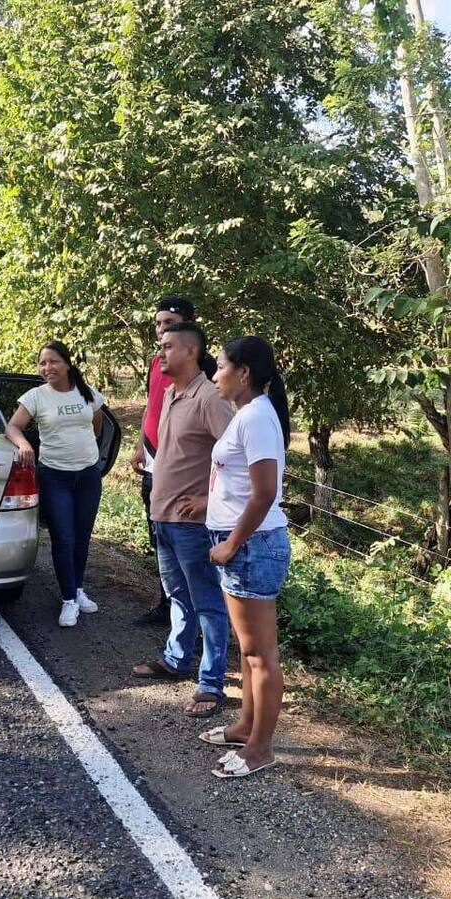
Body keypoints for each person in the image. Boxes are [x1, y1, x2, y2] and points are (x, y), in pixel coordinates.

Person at [196, 336, 292, 779]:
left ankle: (260, 749)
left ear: (244, 373)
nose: (215, 376)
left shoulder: (255, 418)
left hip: (252, 547)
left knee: (260, 655)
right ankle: (244, 727)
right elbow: (235, 482)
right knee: (249, 650)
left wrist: (232, 543)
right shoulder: (250, 415)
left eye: (219, 367)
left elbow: (266, 492)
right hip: (244, 543)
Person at [130, 323, 235, 718]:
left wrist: (210, 501)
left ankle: (211, 683)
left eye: (168, 346)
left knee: (208, 602)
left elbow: (236, 457)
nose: (160, 352)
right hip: (163, 516)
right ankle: (176, 660)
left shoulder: (209, 398)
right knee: (177, 595)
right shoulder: (172, 392)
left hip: (192, 524)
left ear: (191, 352)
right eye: (160, 346)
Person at [5, 340, 106, 627]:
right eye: (42, 363)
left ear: (67, 364)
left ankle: (78, 589)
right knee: (63, 537)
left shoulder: (88, 394)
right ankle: (68, 601)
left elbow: (96, 426)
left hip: (87, 475)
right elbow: (12, 426)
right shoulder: (35, 397)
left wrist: (88, 454)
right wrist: (24, 444)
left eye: (53, 361)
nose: (47, 368)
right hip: (54, 476)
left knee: (82, 536)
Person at [129, 295, 194, 627]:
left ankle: (189, 612)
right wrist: (140, 444)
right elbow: (151, 405)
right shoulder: (157, 363)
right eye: (157, 324)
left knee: (182, 539)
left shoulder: (202, 367)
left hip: (181, 470)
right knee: (159, 537)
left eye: (168, 324)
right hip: (153, 462)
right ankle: (166, 602)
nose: (160, 331)